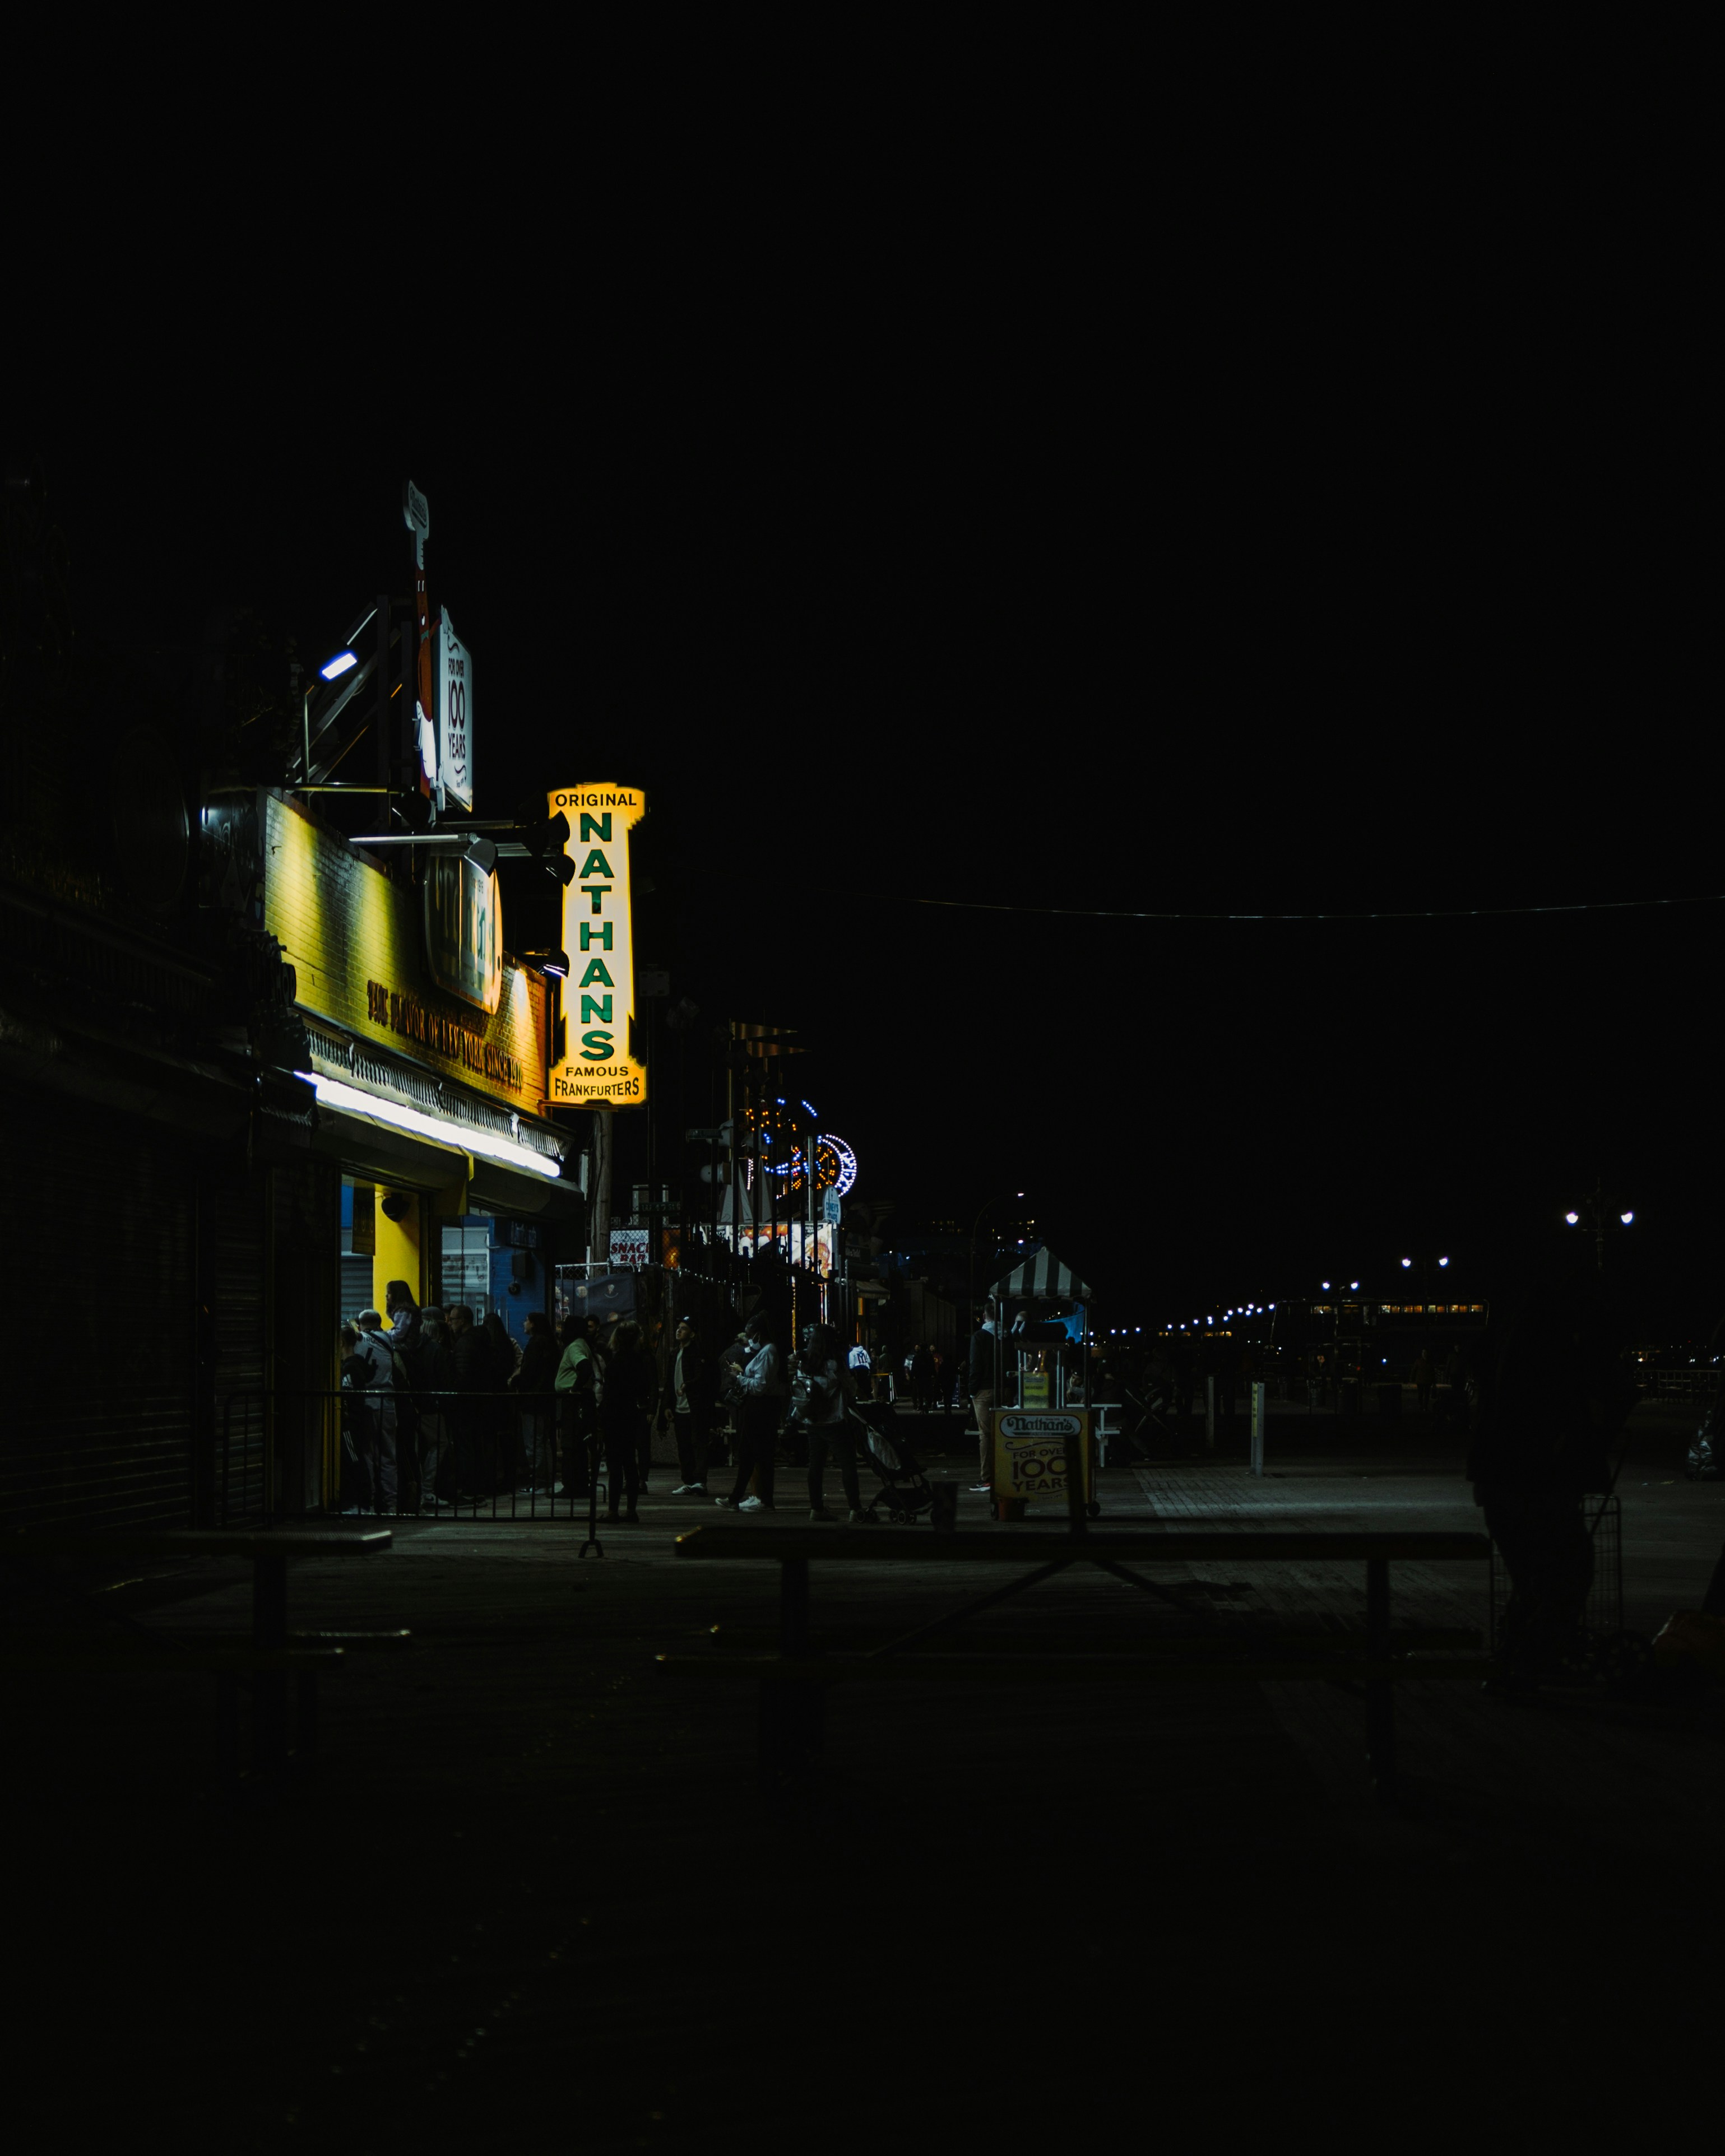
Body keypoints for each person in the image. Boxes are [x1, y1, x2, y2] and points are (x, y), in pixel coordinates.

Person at [1467, 1266, 1638, 1689]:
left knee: (1534, 1582)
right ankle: (1528, 1663)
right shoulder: (1554, 1356)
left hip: (1502, 1486)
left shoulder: (1512, 1345)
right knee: (1566, 1576)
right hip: (1535, 1486)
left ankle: (1514, 1661)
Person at [792, 1322, 875, 1523]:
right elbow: (850, 1389)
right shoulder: (834, 1365)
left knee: (816, 1464)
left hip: (812, 1420)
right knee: (848, 1464)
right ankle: (855, 1509)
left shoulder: (804, 1365)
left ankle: (816, 1508)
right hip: (834, 1421)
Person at [718, 1314, 786, 1513]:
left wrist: (740, 1377)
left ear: (759, 1334)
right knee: (748, 1453)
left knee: (760, 1454)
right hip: (759, 1406)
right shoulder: (765, 1351)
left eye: (750, 1335)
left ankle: (764, 1500)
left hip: (762, 1407)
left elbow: (760, 1386)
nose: (748, 1340)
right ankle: (737, 1498)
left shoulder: (768, 1352)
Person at [599, 1319, 653, 1522]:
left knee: (615, 1465)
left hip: (614, 1415)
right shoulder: (640, 1361)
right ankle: (631, 1510)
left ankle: (613, 1510)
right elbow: (643, 1390)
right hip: (631, 1414)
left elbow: (609, 1393)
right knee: (630, 1462)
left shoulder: (615, 1363)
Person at [350, 1309, 399, 1513]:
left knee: (367, 1454)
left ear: (360, 1325)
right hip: (387, 1401)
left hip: (366, 1402)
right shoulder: (388, 1339)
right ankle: (392, 1504)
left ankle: (367, 1502)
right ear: (379, 1324)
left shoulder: (356, 1341)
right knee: (388, 1455)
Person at [511, 1311, 560, 1493]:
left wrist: (516, 1381)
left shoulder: (535, 1344)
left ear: (533, 1324)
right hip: (545, 1399)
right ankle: (546, 1481)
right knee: (544, 1441)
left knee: (533, 1443)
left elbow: (529, 1373)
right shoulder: (549, 1344)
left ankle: (540, 1481)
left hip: (532, 1399)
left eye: (527, 1320)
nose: (524, 1323)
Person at [554, 1313, 601, 1496]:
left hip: (575, 1401)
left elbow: (584, 1368)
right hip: (583, 1399)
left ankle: (571, 1485)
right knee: (580, 1443)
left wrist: (575, 1388)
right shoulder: (583, 1344)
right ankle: (581, 1483)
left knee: (571, 1443)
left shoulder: (574, 1347)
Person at [664, 1317, 712, 1495]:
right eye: (678, 1328)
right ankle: (688, 1481)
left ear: (692, 1333)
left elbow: (703, 1378)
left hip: (695, 1406)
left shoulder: (698, 1353)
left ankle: (700, 1481)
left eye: (684, 1328)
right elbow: (670, 1382)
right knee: (683, 1445)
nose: (679, 1331)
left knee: (699, 1443)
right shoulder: (674, 1353)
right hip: (679, 1407)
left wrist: (689, 1385)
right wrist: (667, 1406)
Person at [415, 1305, 456, 1507]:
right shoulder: (436, 1350)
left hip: (413, 1406)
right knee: (440, 1443)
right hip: (432, 1406)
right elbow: (444, 1381)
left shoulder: (410, 1349)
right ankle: (427, 1490)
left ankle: (415, 1490)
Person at [967, 1300, 999, 1494]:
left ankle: (987, 1478)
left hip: (984, 1391)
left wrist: (972, 1390)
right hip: (1004, 1389)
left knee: (985, 1435)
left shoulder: (979, 1336)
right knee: (1003, 1433)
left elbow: (975, 1365)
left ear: (985, 1316)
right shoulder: (1007, 1335)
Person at [910, 1342, 937, 1418]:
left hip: (919, 1377)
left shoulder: (916, 1357)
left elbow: (913, 1368)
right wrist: (935, 1375)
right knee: (928, 1390)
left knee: (920, 1392)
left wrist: (912, 1377)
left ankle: (921, 1404)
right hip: (927, 1377)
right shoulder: (930, 1357)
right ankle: (928, 1404)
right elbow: (933, 1367)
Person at [1411, 1346, 1436, 1416]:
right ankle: (1421, 1405)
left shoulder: (1429, 1362)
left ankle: (1425, 1406)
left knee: (1427, 1395)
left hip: (1428, 1381)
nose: (1424, 1354)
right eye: (1423, 1353)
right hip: (1420, 1381)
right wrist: (1412, 1378)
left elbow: (1433, 1372)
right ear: (1422, 1354)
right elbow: (1414, 1370)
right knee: (1421, 1394)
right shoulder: (1419, 1361)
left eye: (1425, 1353)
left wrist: (1434, 1382)